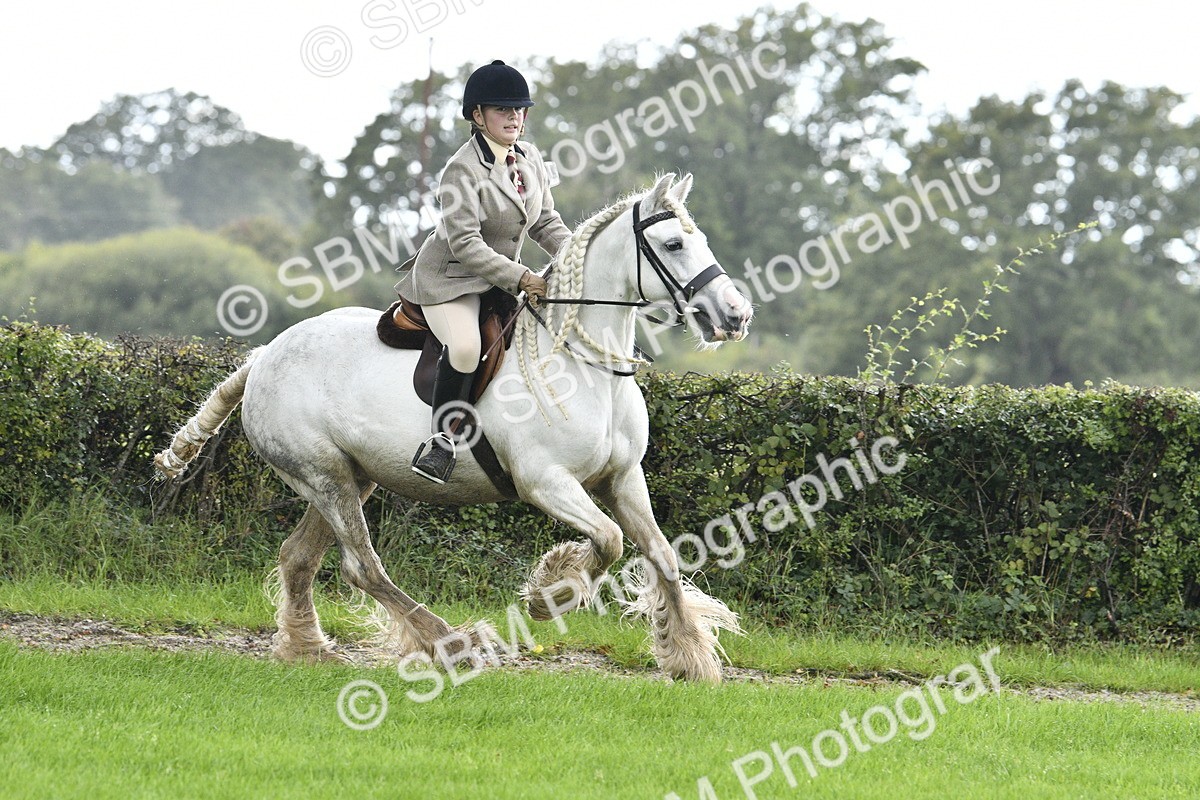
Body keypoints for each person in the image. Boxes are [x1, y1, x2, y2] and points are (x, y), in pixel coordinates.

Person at [395, 59, 573, 484]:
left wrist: (576, 255)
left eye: (520, 110)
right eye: (502, 110)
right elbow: (467, 245)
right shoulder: (461, 170)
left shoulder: (529, 157)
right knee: (465, 347)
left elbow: (545, 222)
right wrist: (524, 278)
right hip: (451, 279)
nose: (514, 117)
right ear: (477, 116)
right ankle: (439, 443)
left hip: (498, 276)